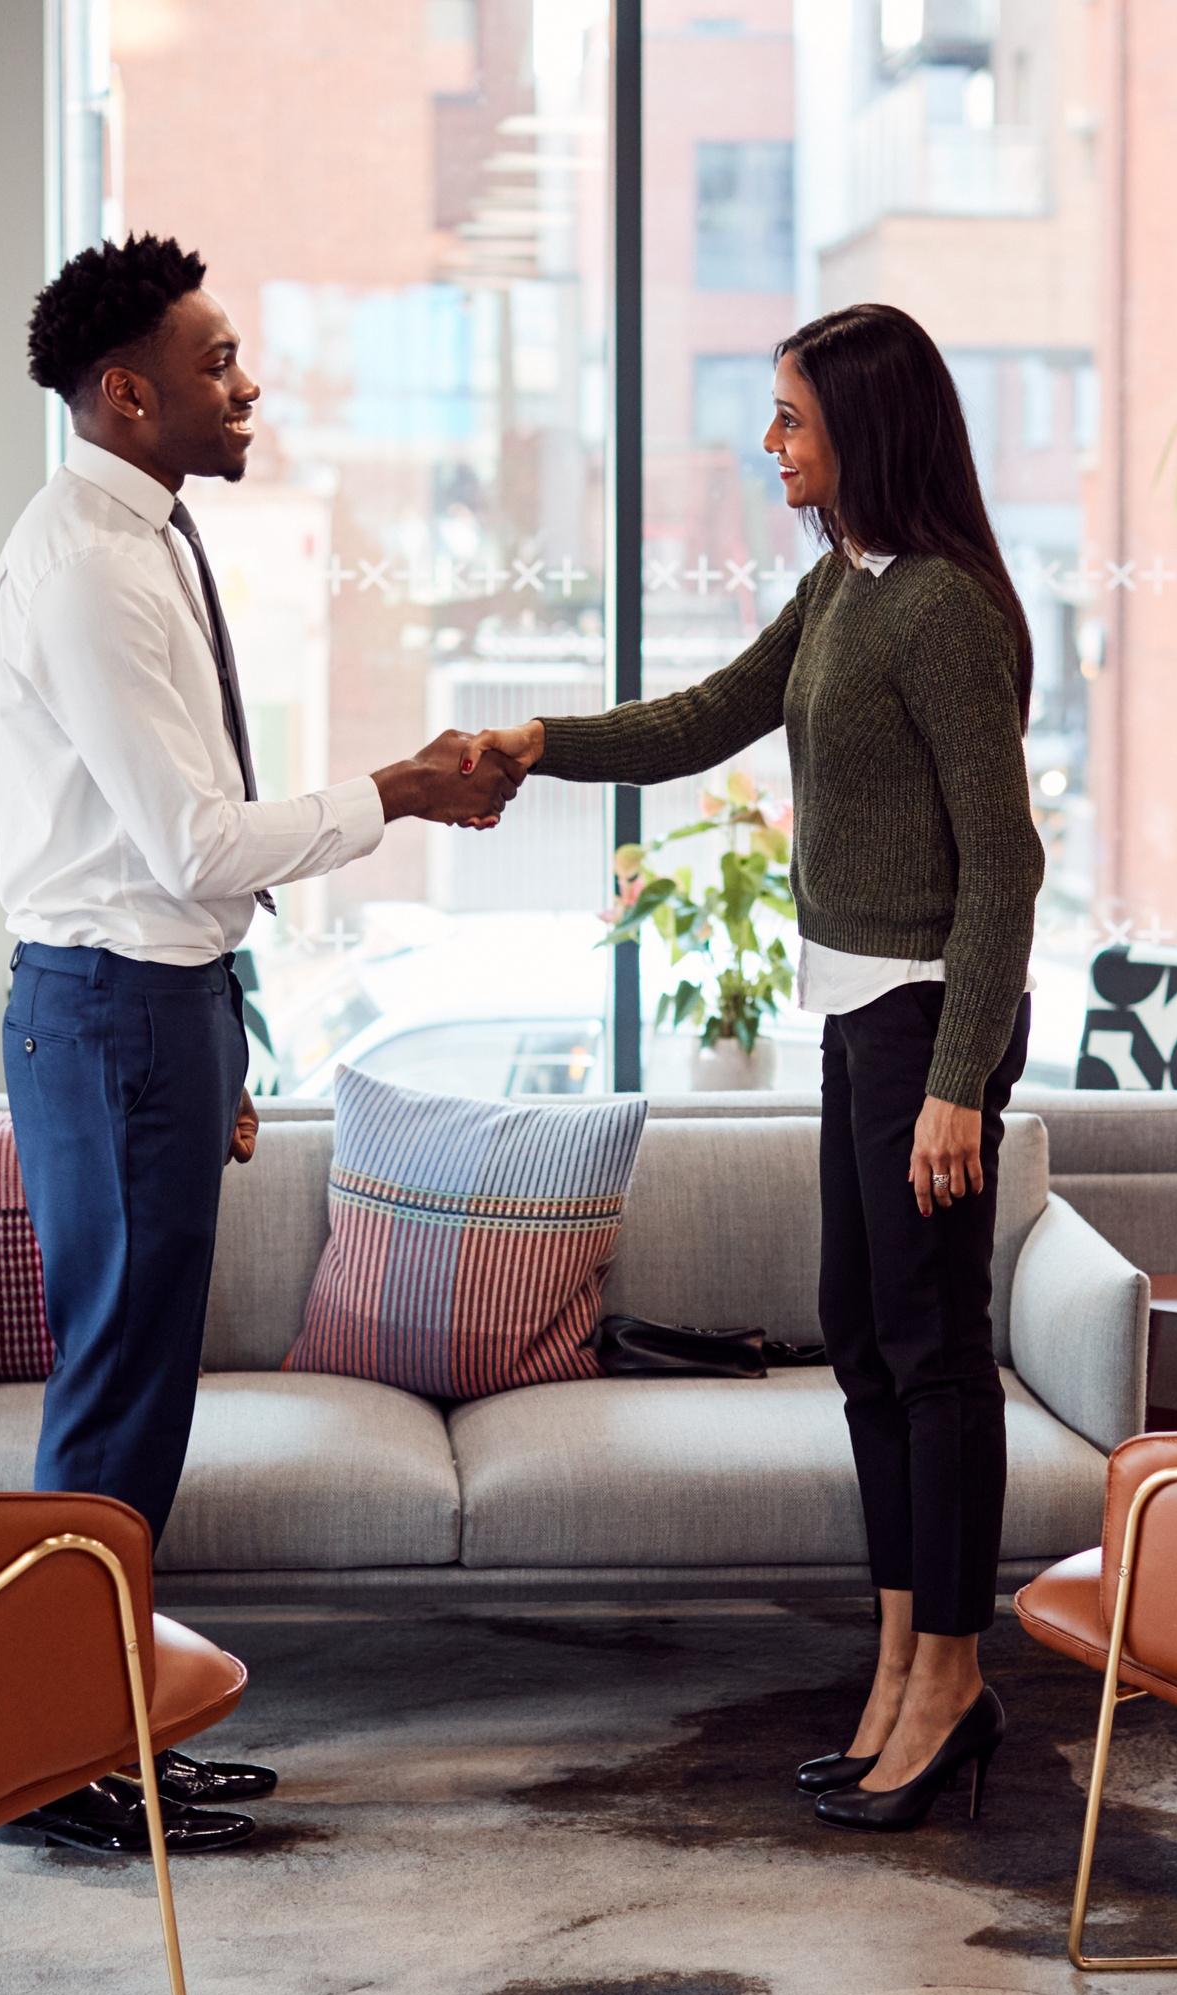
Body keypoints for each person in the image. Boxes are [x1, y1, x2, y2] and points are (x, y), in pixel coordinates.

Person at [465, 302, 1045, 1833]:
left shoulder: (939, 611)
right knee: (861, 1339)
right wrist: (536, 742)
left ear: (865, 428)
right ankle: (897, 1659)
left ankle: (952, 1680)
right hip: (864, 1022)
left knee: (930, 1356)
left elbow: (1005, 868)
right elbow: (703, 719)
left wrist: (955, 1084)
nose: (768, 441)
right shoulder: (840, 590)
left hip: (930, 1025)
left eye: (789, 416)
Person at [0, 234, 520, 1859]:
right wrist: (402, 792)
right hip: (109, 1013)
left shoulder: (143, 535)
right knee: (115, 1397)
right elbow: (191, 844)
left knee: (137, 1405)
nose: (249, 385)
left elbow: (181, 870)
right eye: (217, 363)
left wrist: (221, 1039)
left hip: (155, 1017)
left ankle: (102, 1733)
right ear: (127, 391)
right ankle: (56, 1757)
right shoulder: (85, 561)